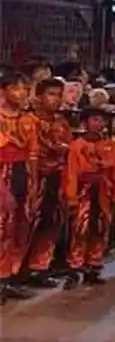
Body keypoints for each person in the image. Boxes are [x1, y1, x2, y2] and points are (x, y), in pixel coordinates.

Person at [62, 106, 115, 290]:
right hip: (84, 191)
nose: (99, 124)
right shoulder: (76, 146)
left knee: (100, 228)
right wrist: (71, 197)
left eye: (102, 120)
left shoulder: (110, 145)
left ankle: (93, 266)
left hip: (104, 190)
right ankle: (75, 267)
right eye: (94, 120)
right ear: (85, 122)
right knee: (81, 229)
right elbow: (71, 173)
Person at [24, 78, 72, 287]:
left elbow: (69, 149)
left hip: (57, 178)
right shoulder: (29, 120)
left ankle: (40, 268)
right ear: (39, 96)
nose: (56, 99)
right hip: (33, 178)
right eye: (51, 94)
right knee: (26, 225)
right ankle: (17, 270)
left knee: (52, 224)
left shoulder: (62, 122)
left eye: (59, 95)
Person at [0, 73, 38, 302]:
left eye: (24, 89)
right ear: (3, 91)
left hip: (22, 173)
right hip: (3, 173)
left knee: (20, 227)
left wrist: (33, 183)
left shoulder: (28, 120)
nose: (21, 93)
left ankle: (9, 277)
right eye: (16, 88)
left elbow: (33, 153)